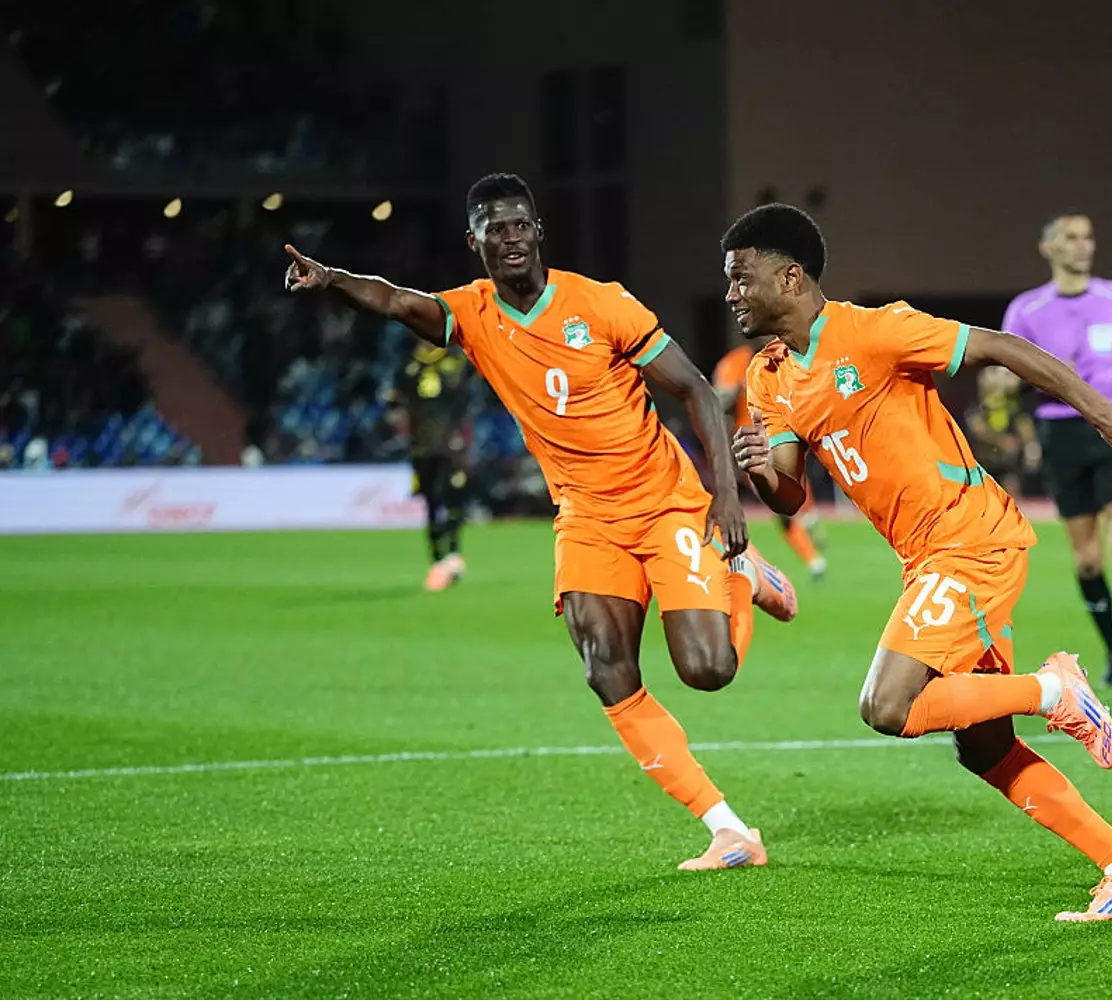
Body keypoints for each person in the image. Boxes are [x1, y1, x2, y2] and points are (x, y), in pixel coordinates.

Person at [283, 173, 798, 870]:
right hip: (585, 517)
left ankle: (742, 572)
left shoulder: (601, 303)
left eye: (521, 224)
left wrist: (727, 499)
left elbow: (697, 392)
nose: (512, 237)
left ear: (538, 232)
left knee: (708, 670)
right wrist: (333, 278)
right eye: (495, 228)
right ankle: (728, 828)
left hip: (664, 501)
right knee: (604, 667)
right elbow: (399, 301)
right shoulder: (471, 314)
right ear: (475, 242)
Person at [726, 203, 1112, 922]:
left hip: (969, 538)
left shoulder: (874, 331)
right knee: (982, 746)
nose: (731, 295)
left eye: (741, 279)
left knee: (887, 706)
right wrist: (759, 472)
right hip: (928, 555)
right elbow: (788, 490)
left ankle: (1052, 692)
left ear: (790, 276)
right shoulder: (769, 375)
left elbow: (1000, 346)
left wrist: (1103, 411)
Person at [1003, 213, 1112, 690]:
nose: (1083, 246)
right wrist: (1005, 385)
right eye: (1071, 238)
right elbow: (1010, 369)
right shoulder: (1026, 310)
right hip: (1061, 434)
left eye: (1088, 237)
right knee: (1087, 560)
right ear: (1048, 248)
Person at [713, 344, 828, 580]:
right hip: (763, 441)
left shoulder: (783, 356)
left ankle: (810, 529)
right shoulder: (738, 361)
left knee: (788, 496)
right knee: (785, 500)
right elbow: (722, 400)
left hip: (775, 438)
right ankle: (812, 550)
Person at [392, 342, 472, 590]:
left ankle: (454, 553)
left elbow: (466, 400)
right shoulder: (408, 367)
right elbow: (396, 405)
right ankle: (438, 560)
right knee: (430, 501)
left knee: (452, 497)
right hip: (422, 447)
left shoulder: (456, 361)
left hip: (451, 445)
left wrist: (463, 435)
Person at [964, 366, 1040, 499]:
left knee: (1010, 491)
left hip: (1007, 461)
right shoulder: (979, 406)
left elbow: (1024, 425)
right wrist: (1001, 440)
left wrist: (1031, 449)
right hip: (983, 460)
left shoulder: (1012, 406)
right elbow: (978, 428)